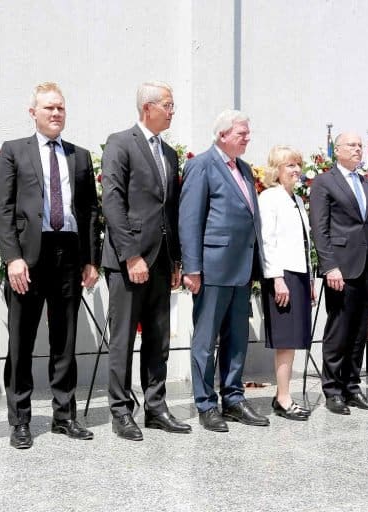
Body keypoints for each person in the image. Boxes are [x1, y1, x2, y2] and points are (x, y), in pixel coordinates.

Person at [0, 82, 100, 449]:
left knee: (65, 341)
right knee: (21, 341)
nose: (55, 113)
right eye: (48, 108)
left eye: (60, 108)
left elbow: (89, 211)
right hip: (28, 257)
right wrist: (12, 258)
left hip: (68, 253)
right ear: (33, 113)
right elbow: (3, 209)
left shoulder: (79, 156)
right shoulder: (14, 151)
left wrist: (91, 260)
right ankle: (20, 420)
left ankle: (64, 416)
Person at [100, 81, 189, 441]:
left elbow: (171, 209)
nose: (172, 111)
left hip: (162, 261)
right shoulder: (120, 143)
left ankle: (156, 407)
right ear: (147, 107)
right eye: (168, 105)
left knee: (158, 339)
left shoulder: (168, 153)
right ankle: (121, 411)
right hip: (130, 261)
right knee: (123, 339)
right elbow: (112, 202)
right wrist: (131, 254)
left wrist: (176, 259)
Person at [179, 110, 269, 432]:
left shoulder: (243, 168)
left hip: (241, 269)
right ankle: (206, 404)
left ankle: (233, 399)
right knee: (206, 341)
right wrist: (192, 268)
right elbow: (190, 219)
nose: (248, 138)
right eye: (242, 133)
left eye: (247, 133)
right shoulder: (201, 165)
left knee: (237, 338)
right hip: (213, 269)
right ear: (222, 135)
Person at [309, 132, 368, 415]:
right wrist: (330, 265)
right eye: (352, 145)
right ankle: (332, 390)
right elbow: (320, 228)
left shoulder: (367, 182)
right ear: (337, 150)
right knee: (339, 330)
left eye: (360, 145)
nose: (357, 149)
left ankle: (352, 387)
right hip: (341, 268)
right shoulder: (324, 182)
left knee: (359, 332)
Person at [257, 145, 314, 420]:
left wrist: (310, 279)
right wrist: (277, 279)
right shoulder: (270, 197)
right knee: (286, 340)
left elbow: (304, 243)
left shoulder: (297, 200)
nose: (296, 170)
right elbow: (267, 241)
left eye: (298, 164)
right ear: (276, 170)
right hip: (282, 275)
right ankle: (283, 398)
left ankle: (283, 394)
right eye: (290, 165)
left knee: (293, 339)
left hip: (299, 274)